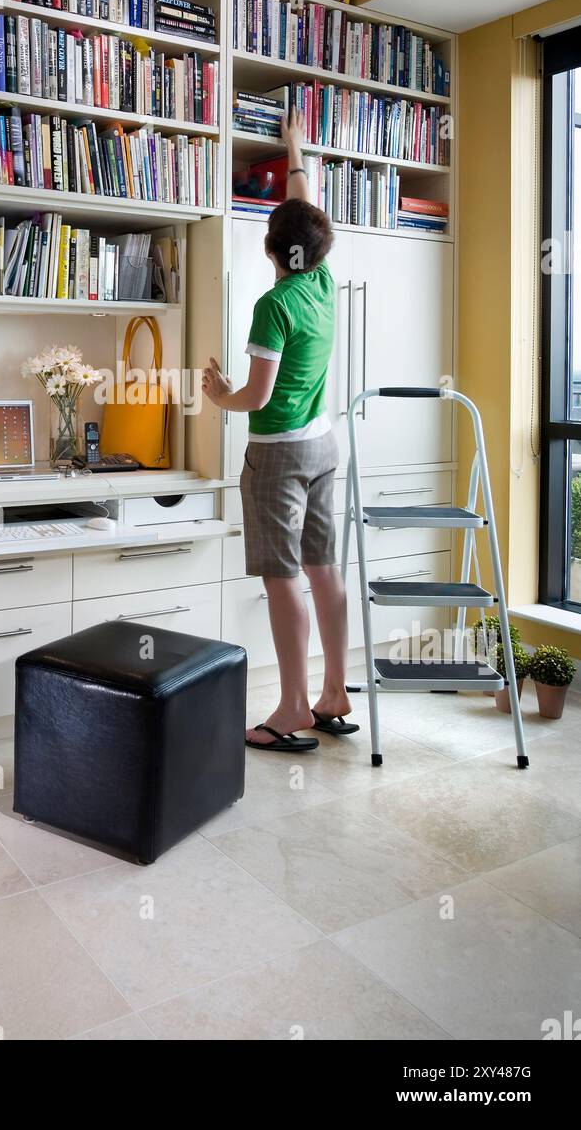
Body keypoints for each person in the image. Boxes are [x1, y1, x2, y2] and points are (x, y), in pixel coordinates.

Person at [202, 108, 356, 752]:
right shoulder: (321, 281)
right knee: (324, 570)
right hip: (324, 445)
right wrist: (296, 148)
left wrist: (217, 396)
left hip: (278, 455)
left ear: (271, 248)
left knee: (282, 577)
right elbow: (305, 211)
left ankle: (292, 708)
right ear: (317, 250)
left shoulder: (274, 304)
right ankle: (334, 692)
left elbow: (256, 395)